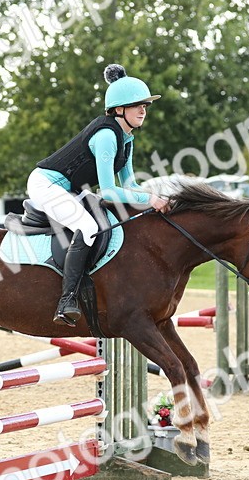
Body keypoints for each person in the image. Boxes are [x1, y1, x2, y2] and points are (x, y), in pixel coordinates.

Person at [26, 64, 170, 326]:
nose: (143, 110)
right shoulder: (106, 135)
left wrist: (155, 195)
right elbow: (109, 191)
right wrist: (149, 200)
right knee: (88, 226)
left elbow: (130, 183)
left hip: (69, 189)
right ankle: (66, 300)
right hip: (45, 185)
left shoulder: (127, 138)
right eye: (137, 105)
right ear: (118, 110)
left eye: (145, 106)